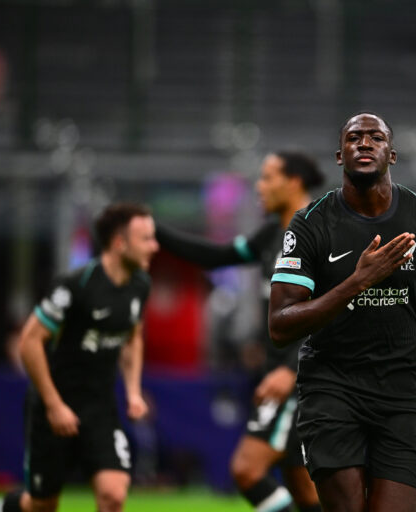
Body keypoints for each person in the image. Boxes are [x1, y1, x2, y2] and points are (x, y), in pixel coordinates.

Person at [268, 112, 416, 512]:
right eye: (354, 137)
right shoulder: (311, 225)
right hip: (331, 391)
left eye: (375, 137)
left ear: (392, 154)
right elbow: (279, 325)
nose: (364, 143)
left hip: (401, 395)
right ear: (339, 155)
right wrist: (358, 281)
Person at [155, 152, 324, 512]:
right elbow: (217, 256)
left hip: (302, 379)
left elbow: (334, 310)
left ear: (293, 182)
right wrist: (155, 231)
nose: (259, 187)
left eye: (267, 178)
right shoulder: (272, 233)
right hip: (281, 374)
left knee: (247, 470)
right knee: (306, 492)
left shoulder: (320, 231)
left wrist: (291, 368)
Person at [0, 203, 158, 512]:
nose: (155, 246)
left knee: (113, 495)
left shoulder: (140, 286)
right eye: (146, 239)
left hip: (100, 408)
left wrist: (133, 391)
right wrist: (54, 406)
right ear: (120, 243)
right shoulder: (76, 285)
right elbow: (29, 342)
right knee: (41, 505)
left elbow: (134, 338)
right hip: (54, 407)